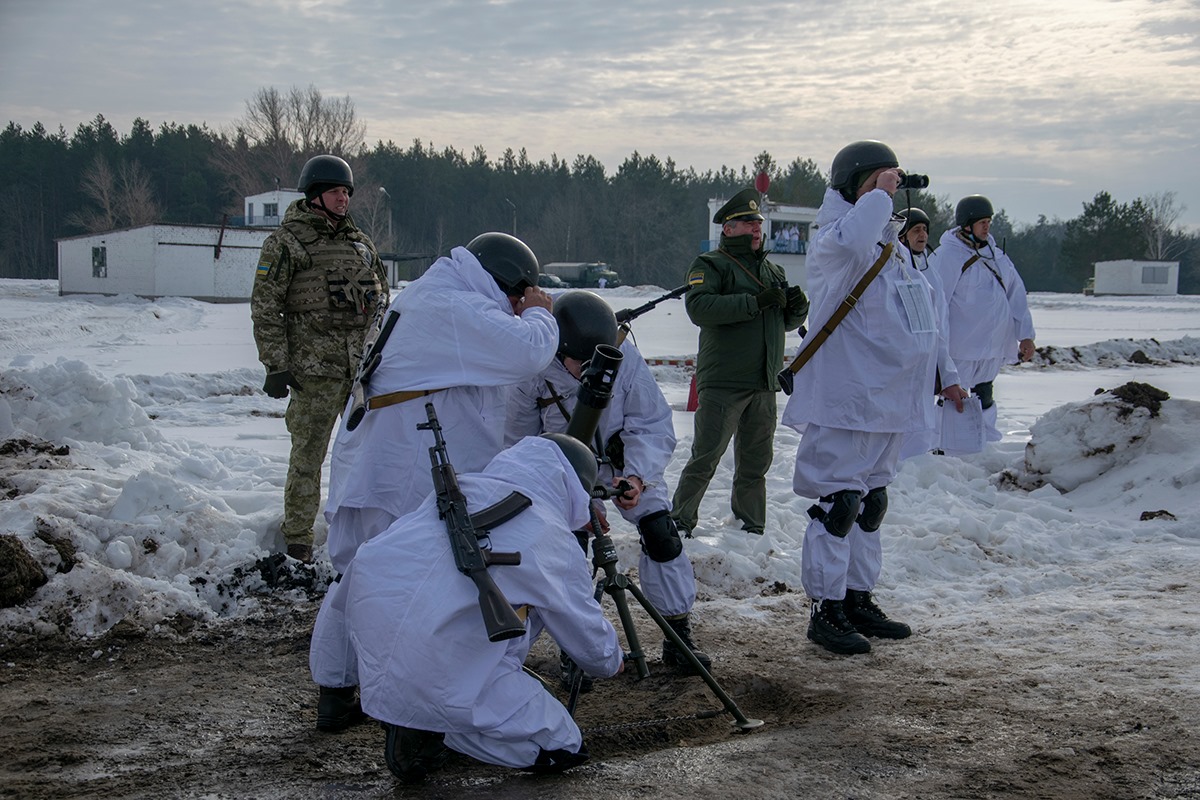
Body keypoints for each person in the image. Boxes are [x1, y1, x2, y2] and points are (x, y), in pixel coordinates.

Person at [308, 232, 558, 732]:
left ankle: (336, 691)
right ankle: (407, 697)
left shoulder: (434, 295)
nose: (513, 308)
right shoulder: (454, 307)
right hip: (401, 472)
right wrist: (540, 310)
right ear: (507, 284)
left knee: (359, 575)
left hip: (385, 464)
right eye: (516, 297)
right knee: (392, 579)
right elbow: (528, 352)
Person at [341, 433, 625, 783]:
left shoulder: (454, 494)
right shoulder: (551, 536)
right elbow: (591, 648)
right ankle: (434, 730)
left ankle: (419, 716)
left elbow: (352, 583)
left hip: (377, 663)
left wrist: (334, 688)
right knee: (563, 745)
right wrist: (613, 660)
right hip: (442, 672)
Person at [781, 141, 965, 656]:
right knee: (839, 502)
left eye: (893, 181)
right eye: (880, 181)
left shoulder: (893, 251)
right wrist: (883, 194)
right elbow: (859, 232)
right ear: (856, 185)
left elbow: (928, 321)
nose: (890, 191)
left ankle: (857, 597)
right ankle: (826, 608)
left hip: (891, 402)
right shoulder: (838, 242)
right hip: (847, 399)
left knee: (870, 504)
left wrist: (944, 373)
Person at [505, 290, 710, 675]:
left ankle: (678, 633)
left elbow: (651, 423)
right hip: (560, 470)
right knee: (568, 552)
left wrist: (637, 476)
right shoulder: (531, 370)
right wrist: (568, 497)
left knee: (661, 533)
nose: (587, 370)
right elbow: (517, 444)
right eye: (577, 363)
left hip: (621, 463)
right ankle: (575, 649)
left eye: (592, 362)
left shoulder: (622, 358)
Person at [250, 154, 389, 565]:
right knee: (308, 458)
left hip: (361, 372)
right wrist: (275, 364)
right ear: (314, 196)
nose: (343, 199)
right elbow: (264, 305)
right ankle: (298, 540)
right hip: (315, 373)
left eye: (346, 192)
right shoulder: (286, 243)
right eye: (334, 191)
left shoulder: (360, 244)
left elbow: (382, 302)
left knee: (369, 457)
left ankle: (365, 537)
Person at [671, 187, 809, 536]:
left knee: (755, 464)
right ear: (728, 229)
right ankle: (680, 520)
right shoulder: (710, 265)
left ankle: (751, 524)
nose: (755, 228)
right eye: (747, 223)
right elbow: (699, 308)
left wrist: (796, 308)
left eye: (758, 222)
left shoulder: (773, 271)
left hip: (764, 382)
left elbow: (781, 323)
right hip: (725, 381)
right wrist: (754, 302)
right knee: (705, 457)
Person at [929, 195, 1036, 443]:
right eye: (981, 222)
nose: (986, 227)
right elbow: (937, 302)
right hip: (961, 347)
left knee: (985, 393)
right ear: (967, 225)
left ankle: (986, 442)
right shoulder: (948, 257)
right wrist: (938, 343)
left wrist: (1026, 336)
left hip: (992, 346)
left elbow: (1016, 295)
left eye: (988, 222)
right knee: (956, 397)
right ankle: (950, 445)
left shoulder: (997, 257)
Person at [895, 207, 963, 459]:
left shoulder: (930, 271)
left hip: (933, 354)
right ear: (901, 236)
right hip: (904, 362)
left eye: (925, 229)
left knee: (923, 420)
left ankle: (918, 464)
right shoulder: (895, 269)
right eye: (916, 230)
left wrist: (947, 372)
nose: (922, 235)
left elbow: (936, 324)